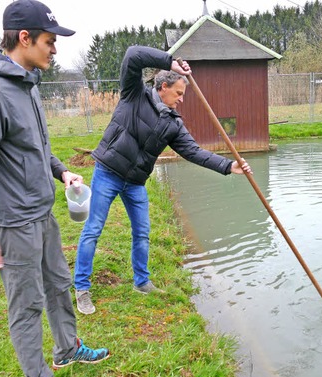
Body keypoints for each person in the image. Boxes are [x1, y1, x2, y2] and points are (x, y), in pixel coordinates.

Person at [0, 0, 109, 377]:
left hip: (43, 213)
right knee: (27, 304)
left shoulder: (29, 85)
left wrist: (62, 174)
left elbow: (37, 148)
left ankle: (67, 349)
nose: (55, 50)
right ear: (24, 38)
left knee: (58, 286)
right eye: (50, 41)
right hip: (12, 224)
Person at [73, 45, 252, 315]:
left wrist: (228, 166)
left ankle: (141, 282)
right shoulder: (134, 94)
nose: (181, 99)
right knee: (93, 229)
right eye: (179, 93)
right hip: (108, 172)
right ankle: (82, 288)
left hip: (135, 183)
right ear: (164, 86)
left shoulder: (173, 124)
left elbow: (194, 152)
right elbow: (133, 54)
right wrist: (170, 61)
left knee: (142, 232)